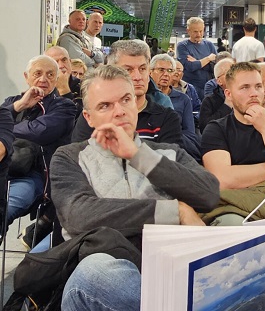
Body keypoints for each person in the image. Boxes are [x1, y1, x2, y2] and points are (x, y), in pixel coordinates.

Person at [51, 65, 220, 310]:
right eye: (105, 106)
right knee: (96, 272)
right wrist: (175, 211)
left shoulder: (168, 153)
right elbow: (79, 215)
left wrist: (138, 155)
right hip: (102, 278)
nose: (119, 111)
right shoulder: (69, 157)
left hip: (169, 269)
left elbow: (209, 194)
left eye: (125, 100)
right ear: (88, 117)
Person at [200, 62, 265, 226]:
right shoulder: (216, 129)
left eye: (258, 86)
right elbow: (222, 179)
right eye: (245, 88)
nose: (254, 93)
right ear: (229, 94)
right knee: (232, 223)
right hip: (234, 206)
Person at [1, 55, 77, 231]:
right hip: (4, 171)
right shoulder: (12, 102)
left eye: (50, 75)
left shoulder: (64, 106)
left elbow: (38, 132)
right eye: (38, 73)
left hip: (33, 176)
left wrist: (6, 127)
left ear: (56, 79)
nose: (43, 79)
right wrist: (19, 106)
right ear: (26, 77)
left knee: (6, 208)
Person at [71, 39, 182, 148]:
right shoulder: (95, 115)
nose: (138, 77)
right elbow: (79, 156)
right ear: (111, 72)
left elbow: (169, 159)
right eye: (128, 70)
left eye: (142, 69)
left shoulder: (167, 118)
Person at [150, 54, 201, 160]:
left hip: (177, 146)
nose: (166, 74)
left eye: (170, 71)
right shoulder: (145, 98)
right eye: (161, 70)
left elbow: (189, 133)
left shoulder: (184, 99)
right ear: (150, 72)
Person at [176, 17, 217, 100]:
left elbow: (215, 67)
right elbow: (190, 67)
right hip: (190, 90)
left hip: (209, 89)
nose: (198, 34)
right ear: (188, 31)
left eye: (201, 31)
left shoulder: (209, 45)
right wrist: (208, 59)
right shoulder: (182, 46)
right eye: (195, 31)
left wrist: (197, 62)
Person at [198, 58, 234, 133]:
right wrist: (226, 106)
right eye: (230, 73)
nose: (235, 76)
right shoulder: (209, 101)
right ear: (219, 81)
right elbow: (205, 128)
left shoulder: (248, 95)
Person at [44, 46, 83, 112]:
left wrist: (64, 91)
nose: (61, 66)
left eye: (64, 60)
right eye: (55, 62)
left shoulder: (83, 86)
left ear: (70, 62)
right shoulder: (42, 86)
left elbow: (81, 115)